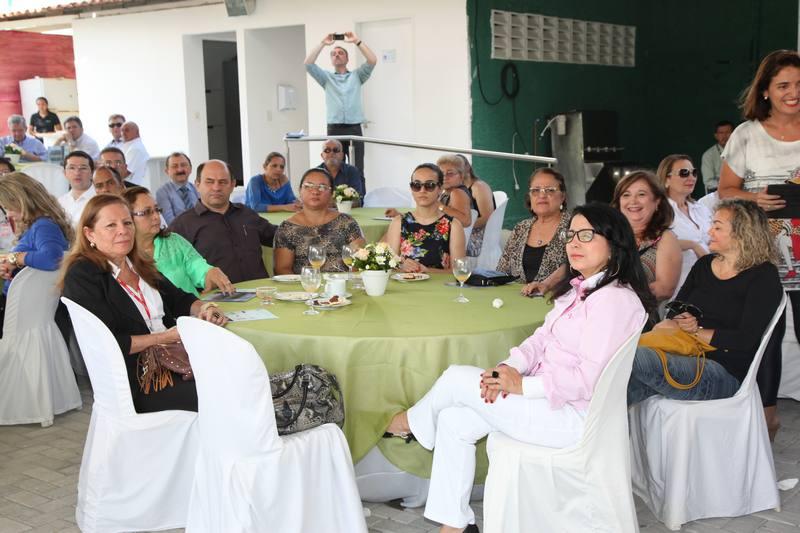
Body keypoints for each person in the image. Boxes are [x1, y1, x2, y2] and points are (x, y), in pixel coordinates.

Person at [383, 203, 651, 533]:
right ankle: (454, 526)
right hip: (546, 401)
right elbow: (539, 340)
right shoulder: (581, 290)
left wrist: (521, 386)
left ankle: (410, 423)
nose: (573, 243)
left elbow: (587, 380)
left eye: (586, 235)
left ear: (614, 244)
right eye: (570, 235)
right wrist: (505, 371)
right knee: (453, 420)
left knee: (454, 378)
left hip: (572, 417)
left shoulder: (613, 300)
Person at [59, 194, 227, 413]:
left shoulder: (138, 264)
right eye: (111, 225)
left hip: (173, 360)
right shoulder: (83, 274)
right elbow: (109, 342)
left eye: (127, 223)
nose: (123, 230)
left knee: (235, 374)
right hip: (139, 378)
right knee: (220, 394)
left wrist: (206, 308)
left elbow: (180, 299)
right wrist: (165, 337)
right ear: (89, 233)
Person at [717, 49, 800, 438]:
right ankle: (767, 415)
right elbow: (725, 191)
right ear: (765, 90)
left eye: (799, 84)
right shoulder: (746, 134)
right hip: (762, 253)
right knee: (767, 333)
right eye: (783, 85)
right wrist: (754, 198)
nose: (793, 92)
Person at [628, 199, 783, 408]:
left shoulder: (763, 276)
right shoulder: (704, 265)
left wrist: (695, 331)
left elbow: (745, 339)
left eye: (717, 227)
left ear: (743, 233)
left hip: (724, 372)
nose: (709, 231)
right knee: (617, 380)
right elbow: (676, 308)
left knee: (631, 358)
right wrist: (682, 319)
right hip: (680, 352)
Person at [170, 160, 277, 283]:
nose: (216, 188)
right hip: (218, 294)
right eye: (209, 182)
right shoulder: (182, 225)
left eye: (223, 182)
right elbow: (170, 270)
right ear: (197, 184)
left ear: (232, 184)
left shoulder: (246, 214)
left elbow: (279, 236)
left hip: (261, 292)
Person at [123, 187, 233, 297]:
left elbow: (196, 265)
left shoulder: (173, 241)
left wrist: (209, 272)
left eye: (157, 210)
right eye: (146, 212)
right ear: (127, 218)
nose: (156, 216)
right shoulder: (122, 256)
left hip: (193, 307)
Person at [0, 173, 73, 335]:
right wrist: (11, 264)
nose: (8, 214)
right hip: (24, 309)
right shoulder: (40, 225)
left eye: (9, 207)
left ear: (23, 201)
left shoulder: (43, 226)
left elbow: (52, 259)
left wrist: (16, 258)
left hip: (26, 314)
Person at [304, 32, 377, 174]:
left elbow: (372, 60)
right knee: (334, 168)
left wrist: (357, 41)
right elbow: (308, 63)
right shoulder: (326, 77)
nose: (337, 55)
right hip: (334, 129)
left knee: (357, 168)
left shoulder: (357, 76)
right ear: (331, 60)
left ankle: (358, 190)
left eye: (340, 53)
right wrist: (323, 43)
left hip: (354, 128)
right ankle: (337, 190)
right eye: (333, 54)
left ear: (347, 58)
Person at [273, 167, 364, 274]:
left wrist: (349, 282)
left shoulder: (346, 222)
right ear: (300, 191)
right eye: (308, 186)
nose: (315, 191)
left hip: (343, 283)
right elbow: (282, 269)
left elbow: (360, 260)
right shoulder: (287, 228)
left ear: (332, 193)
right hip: (304, 283)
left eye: (322, 187)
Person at [611, 171, 681, 303]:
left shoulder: (665, 238)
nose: (633, 201)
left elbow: (664, 289)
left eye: (641, 194)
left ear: (657, 201)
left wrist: (616, 299)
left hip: (638, 313)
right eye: (626, 195)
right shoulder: (607, 236)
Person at [497, 168, 569, 296]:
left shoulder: (573, 227)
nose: (542, 195)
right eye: (535, 190)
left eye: (550, 190)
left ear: (562, 196)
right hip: (517, 298)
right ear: (530, 197)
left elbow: (576, 266)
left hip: (558, 299)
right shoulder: (521, 228)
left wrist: (547, 284)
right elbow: (501, 270)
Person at [385, 163, 466, 273]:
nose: (422, 190)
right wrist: (401, 266)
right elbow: (388, 267)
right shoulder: (399, 222)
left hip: (441, 284)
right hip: (406, 283)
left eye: (430, 185)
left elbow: (460, 271)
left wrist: (428, 271)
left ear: (440, 189)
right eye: (416, 185)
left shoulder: (453, 225)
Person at [656, 154, 712, 297]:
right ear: (666, 179)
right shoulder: (658, 211)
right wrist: (693, 245)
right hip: (678, 290)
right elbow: (653, 243)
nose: (691, 178)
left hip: (709, 285)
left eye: (694, 173)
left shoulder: (701, 208)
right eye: (684, 173)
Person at [456, 155, 495, 256]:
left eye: (459, 167)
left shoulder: (479, 187)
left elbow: (488, 217)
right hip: (464, 230)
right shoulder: (458, 189)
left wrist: (461, 228)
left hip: (479, 234)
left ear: (467, 167)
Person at [155, 152, 200, 224]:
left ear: (190, 169)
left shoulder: (198, 189)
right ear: (167, 171)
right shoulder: (162, 192)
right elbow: (170, 223)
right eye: (174, 166)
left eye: (183, 165)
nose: (180, 170)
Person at [58, 151, 96, 225]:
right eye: (72, 168)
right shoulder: (60, 202)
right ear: (65, 173)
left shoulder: (99, 198)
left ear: (92, 173)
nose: (77, 173)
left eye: (83, 168)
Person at [435, 155, 473, 229]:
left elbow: (466, 221)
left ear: (461, 176)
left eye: (450, 173)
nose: (445, 177)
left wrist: (439, 206)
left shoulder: (457, 192)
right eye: (441, 173)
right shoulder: (445, 192)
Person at [700, 120, 734, 193]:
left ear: (734, 134)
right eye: (721, 133)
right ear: (716, 135)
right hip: (718, 192)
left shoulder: (742, 151)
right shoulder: (708, 155)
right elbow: (708, 181)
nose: (724, 136)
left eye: (728, 132)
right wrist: (730, 185)